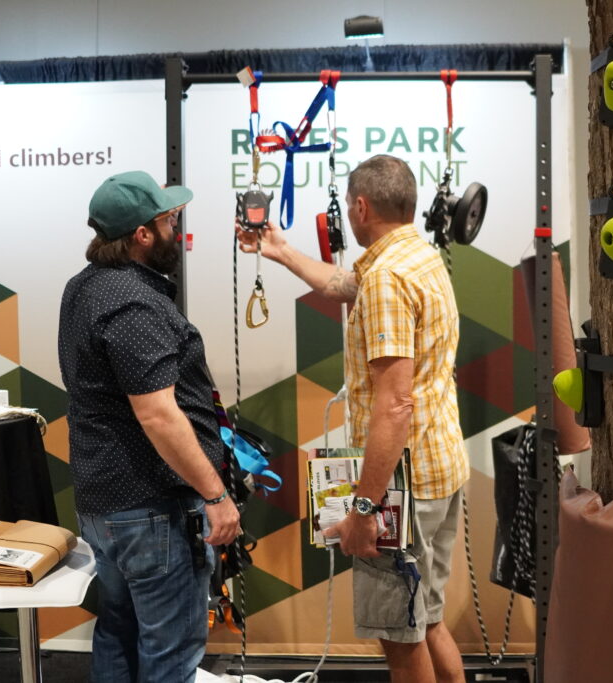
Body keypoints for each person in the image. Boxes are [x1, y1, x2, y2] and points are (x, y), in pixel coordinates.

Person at [236, 155, 469, 683]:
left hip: (402, 489)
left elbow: (394, 404)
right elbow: (344, 283)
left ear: (359, 206)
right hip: (439, 471)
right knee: (428, 621)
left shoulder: (387, 277)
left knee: (401, 639)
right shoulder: (416, 256)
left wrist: (365, 509)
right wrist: (280, 251)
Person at [59, 170, 241, 683]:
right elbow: (157, 414)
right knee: (170, 649)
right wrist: (215, 495)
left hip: (106, 506)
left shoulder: (84, 287)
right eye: (168, 219)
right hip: (149, 509)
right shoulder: (133, 301)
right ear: (142, 235)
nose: (177, 226)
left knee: (118, 629)